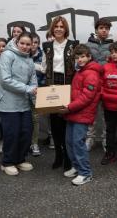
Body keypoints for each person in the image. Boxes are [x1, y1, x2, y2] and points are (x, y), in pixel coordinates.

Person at [0, 32, 38, 176]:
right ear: (16, 42)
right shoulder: (7, 55)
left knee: (26, 131)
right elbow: (5, 80)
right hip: (8, 102)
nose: (25, 47)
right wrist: (28, 89)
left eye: (28, 44)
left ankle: (19, 159)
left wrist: (36, 97)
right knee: (11, 133)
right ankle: (7, 162)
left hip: (23, 103)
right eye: (22, 43)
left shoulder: (29, 60)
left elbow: (33, 80)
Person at [60, 44, 102, 186]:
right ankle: (76, 167)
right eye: (77, 57)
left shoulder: (91, 73)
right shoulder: (81, 71)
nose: (80, 60)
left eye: (82, 56)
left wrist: (69, 107)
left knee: (78, 143)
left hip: (82, 114)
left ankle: (85, 173)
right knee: (70, 142)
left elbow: (86, 97)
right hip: (73, 113)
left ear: (89, 57)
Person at [41, 16, 78, 171]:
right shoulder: (47, 46)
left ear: (66, 29)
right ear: (52, 28)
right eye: (56, 26)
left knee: (67, 122)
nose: (58, 29)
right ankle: (58, 156)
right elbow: (43, 67)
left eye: (61, 26)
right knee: (55, 124)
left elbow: (78, 65)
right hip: (52, 85)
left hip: (68, 85)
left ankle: (69, 157)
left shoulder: (73, 45)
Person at [85, 18, 113, 151]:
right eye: (101, 28)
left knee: (105, 113)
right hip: (92, 83)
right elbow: (83, 62)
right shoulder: (88, 44)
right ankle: (90, 138)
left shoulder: (113, 45)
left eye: (106, 28)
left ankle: (105, 139)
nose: (104, 30)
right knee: (91, 112)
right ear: (96, 29)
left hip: (108, 83)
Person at [30, 33, 45, 157]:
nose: (33, 45)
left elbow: (46, 73)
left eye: (35, 42)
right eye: (31, 42)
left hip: (37, 92)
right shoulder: (22, 54)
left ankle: (35, 143)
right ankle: (24, 143)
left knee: (35, 119)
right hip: (23, 92)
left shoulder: (43, 56)